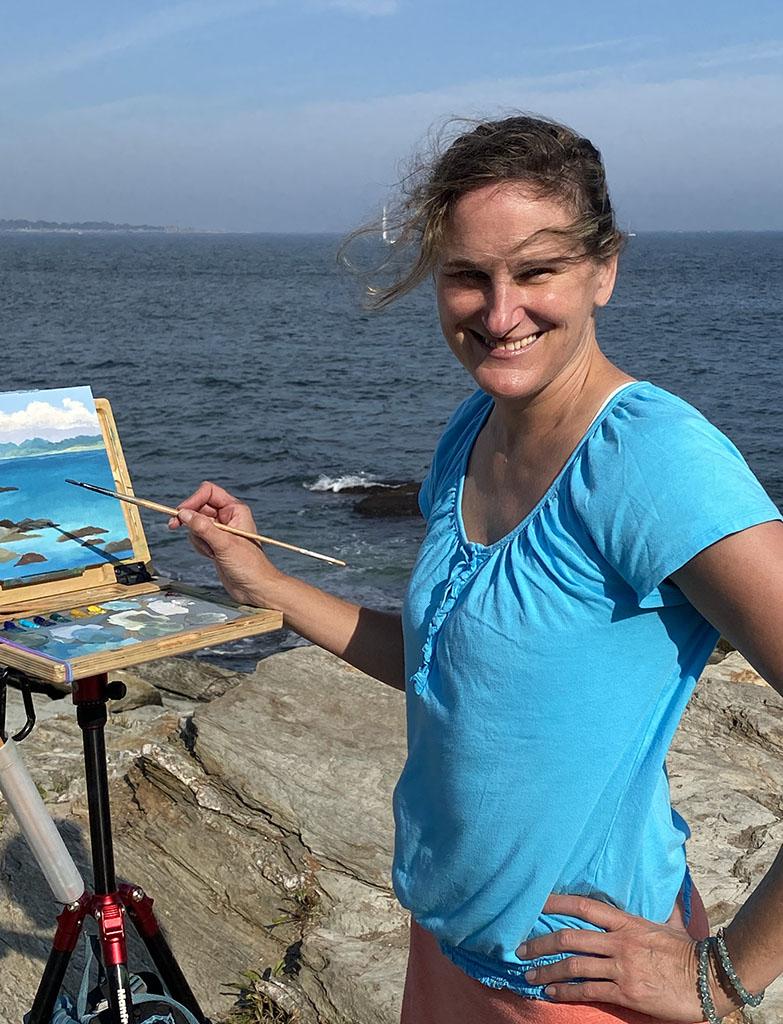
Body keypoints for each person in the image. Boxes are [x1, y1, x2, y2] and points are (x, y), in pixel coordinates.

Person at [170, 115, 783, 1023]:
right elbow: (441, 665)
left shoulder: (654, 463)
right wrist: (264, 584)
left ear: (602, 269)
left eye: (536, 271)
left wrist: (725, 976)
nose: (500, 314)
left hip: (577, 987)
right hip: (448, 947)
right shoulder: (471, 432)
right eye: (467, 277)